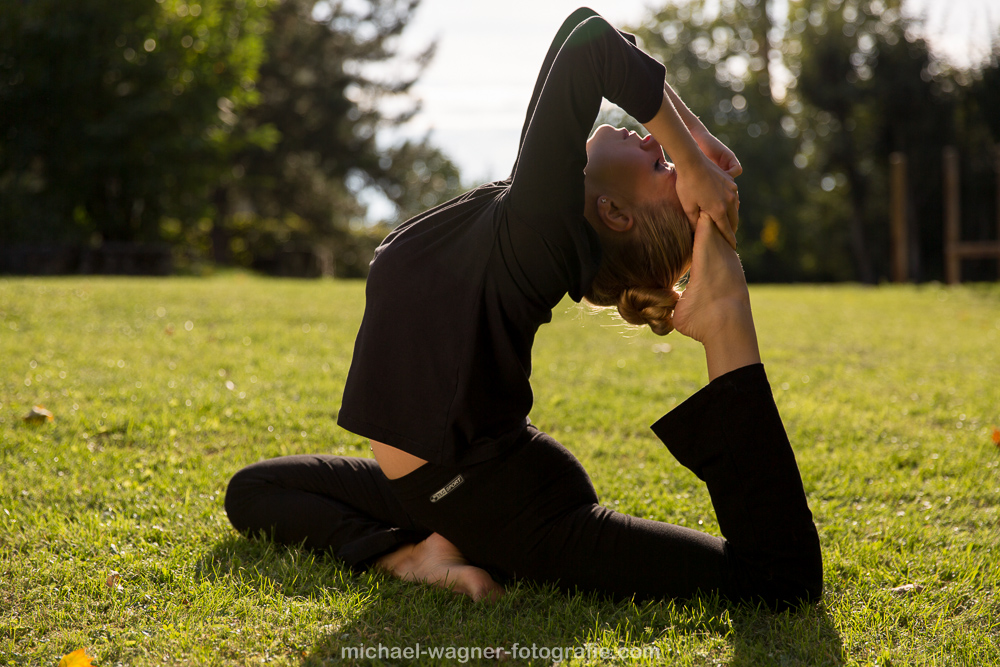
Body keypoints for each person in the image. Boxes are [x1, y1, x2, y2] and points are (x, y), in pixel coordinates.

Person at [224, 8, 822, 609]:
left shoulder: (542, 230)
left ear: (614, 213)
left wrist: (690, 161)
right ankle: (414, 554)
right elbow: (587, 27)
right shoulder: (534, 211)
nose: (653, 140)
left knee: (774, 582)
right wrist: (691, 143)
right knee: (253, 490)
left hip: (507, 506)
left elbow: (592, 50)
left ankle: (726, 322)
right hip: (448, 491)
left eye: (661, 164)